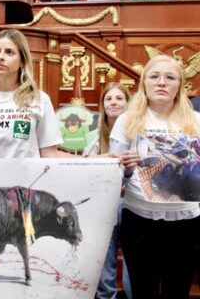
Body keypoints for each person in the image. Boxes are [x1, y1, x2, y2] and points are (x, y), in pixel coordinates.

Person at [110, 55, 200, 298]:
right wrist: (126, 169)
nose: (161, 82)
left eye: (169, 77)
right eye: (154, 77)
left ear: (179, 85)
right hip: (140, 220)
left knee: (177, 292)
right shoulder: (126, 120)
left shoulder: (197, 122)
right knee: (142, 292)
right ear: (144, 83)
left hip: (187, 223)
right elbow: (113, 176)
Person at [0, 29, 69, 158]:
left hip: (26, 177)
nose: (0, 57)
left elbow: (49, 153)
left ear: (22, 61)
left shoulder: (39, 99)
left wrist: (92, 160)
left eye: (9, 52)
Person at [84, 82, 132, 299]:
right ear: (103, 105)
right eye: (109, 99)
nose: (114, 102)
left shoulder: (138, 132)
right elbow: (85, 166)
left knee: (134, 268)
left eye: (119, 98)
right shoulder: (96, 136)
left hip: (132, 204)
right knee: (104, 267)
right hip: (104, 204)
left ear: (128, 103)